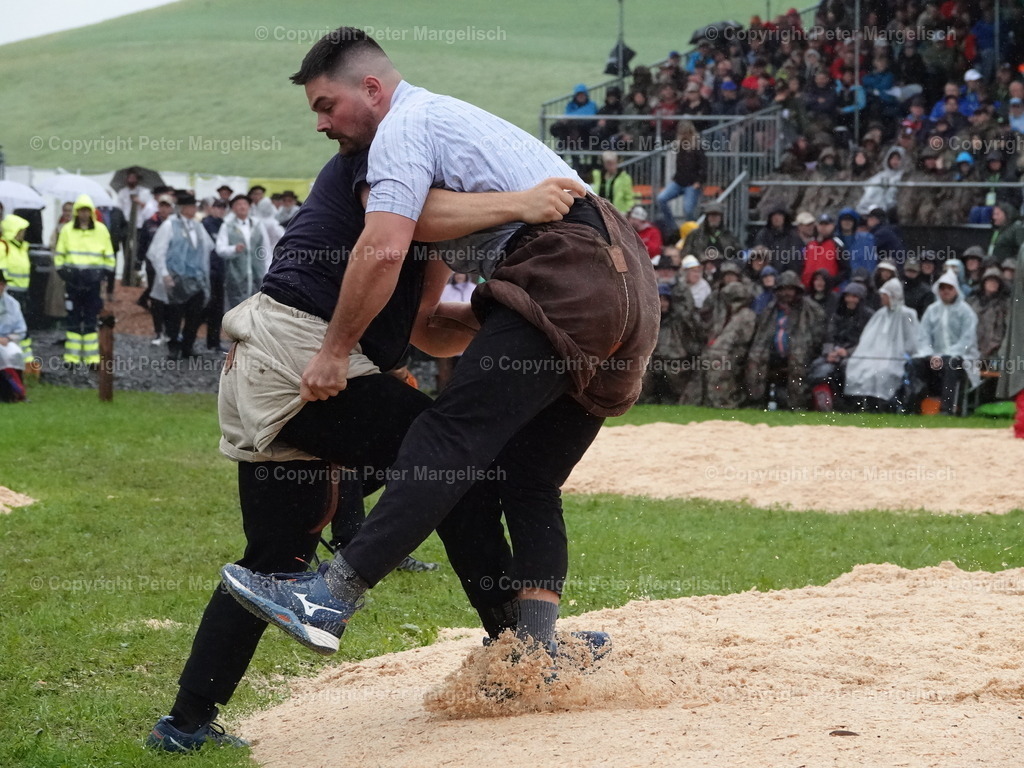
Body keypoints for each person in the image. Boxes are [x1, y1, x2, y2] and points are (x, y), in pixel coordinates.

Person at [220, 27, 657, 662]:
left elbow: (386, 240)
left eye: (325, 105)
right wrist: (501, 333)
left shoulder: (404, 124)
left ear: (371, 89)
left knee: (445, 436)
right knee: (530, 477)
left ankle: (329, 596)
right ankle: (535, 650)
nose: (321, 125)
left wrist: (336, 349)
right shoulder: (454, 130)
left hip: (566, 268)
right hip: (627, 288)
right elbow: (428, 315)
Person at [145, 146, 582, 750]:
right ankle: (521, 650)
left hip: (279, 371)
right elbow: (405, 217)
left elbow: (425, 328)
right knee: (453, 464)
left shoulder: (430, 228)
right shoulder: (384, 159)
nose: (319, 125)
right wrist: (521, 203)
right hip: (301, 364)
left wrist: (518, 321)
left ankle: (184, 724)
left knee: (274, 558)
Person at [147, 193, 214, 360]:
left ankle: (188, 346)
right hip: (176, 277)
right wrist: (164, 274)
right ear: (183, 208)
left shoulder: (198, 226)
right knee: (174, 314)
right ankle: (173, 346)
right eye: (191, 206)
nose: (194, 209)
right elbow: (158, 251)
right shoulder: (170, 225)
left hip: (195, 278)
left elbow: (208, 247)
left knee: (194, 314)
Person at [745, 271, 825, 409]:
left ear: (796, 290)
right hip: (774, 352)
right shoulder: (770, 309)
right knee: (755, 357)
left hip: (802, 352)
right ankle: (756, 402)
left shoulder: (811, 309)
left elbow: (819, 335)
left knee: (798, 358)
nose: (786, 293)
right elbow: (761, 333)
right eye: (782, 289)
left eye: (789, 289)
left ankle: (797, 404)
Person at [54, 195, 114, 366]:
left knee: (90, 319)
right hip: (72, 280)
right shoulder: (67, 230)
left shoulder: (101, 230)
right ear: (76, 212)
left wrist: (103, 275)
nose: (84, 214)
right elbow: (59, 254)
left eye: (87, 210)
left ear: (91, 212)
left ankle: (91, 357)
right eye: (81, 210)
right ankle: (72, 357)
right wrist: (63, 273)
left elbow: (109, 255)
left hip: (93, 281)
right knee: (73, 318)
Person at [845, 278, 920, 409]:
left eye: (884, 295)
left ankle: (883, 405)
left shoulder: (907, 314)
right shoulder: (880, 314)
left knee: (882, 371)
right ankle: (866, 405)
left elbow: (912, 340)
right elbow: (868, 338)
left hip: (896, 356)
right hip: (875, 354)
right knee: (860, 368)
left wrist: (904, 353)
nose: (881, 298)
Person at [914, 271, 980, 414]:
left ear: (956, 289)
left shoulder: (966, 312)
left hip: (961, 357)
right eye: (942, 288)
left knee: (951, 364)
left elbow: (967, 340)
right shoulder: (931, 310)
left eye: (949, 288)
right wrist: (929, 353)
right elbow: (923, 336)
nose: (946, 291)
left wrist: (947, 355)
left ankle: (947, 408)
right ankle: (913, 406)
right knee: (916, 364)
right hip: (934, 356)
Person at [807, 282, 872, 411]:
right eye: (848, 296)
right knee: (818, 368)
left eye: (854, 296)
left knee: (846, 368)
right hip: (835, 354)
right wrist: (829, 353)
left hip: (858, 355)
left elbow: (869, 341)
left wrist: (848, 352)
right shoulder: (837, 314)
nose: (850, 300)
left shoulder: (868, 316)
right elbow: (829, 336)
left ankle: (851, 406)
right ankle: (824, 403)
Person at [703, 282, 756, 408]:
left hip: (737, 352)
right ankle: (711, 400)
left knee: (719, 361)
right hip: (720, 352)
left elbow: (744, 338)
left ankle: (724, 402)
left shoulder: (746, 314)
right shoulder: (726, 314)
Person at [216, 195, 270, 310]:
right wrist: (233, 249)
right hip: (236, 274)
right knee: (237, 308)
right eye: (238, 204)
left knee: (256, 307)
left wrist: (267, 271)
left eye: (245, 204)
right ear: (233, 209)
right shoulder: (227, 226)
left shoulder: (258, 225)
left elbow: (265, 248)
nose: (242, 207)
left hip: (257, 273)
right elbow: (220, 249)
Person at [656, 120, 706, 235]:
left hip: (692, 183)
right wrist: (675, 177)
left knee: (688, 210)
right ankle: (673, 227)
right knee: (661, 199)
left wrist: (699, 181)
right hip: (679, 181)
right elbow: (680, 165)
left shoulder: (697, 146)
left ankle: (691, 232)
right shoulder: (680, 146)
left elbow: (703, 165)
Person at [0, 214, 34, 364]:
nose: (23, 234)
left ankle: (26, 361)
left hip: (21, 291)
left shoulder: (22, 248)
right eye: (20, 231)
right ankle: (22, 360)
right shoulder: (3, 247)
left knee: (22, 324)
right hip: (9, 291)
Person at [968, 266, 1010, 367]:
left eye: (996, 281)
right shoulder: (972, 302)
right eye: (990, 280)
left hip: (995, 353)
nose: (993, 283)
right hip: (971, 351)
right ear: (984, 282)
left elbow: (1008, 330)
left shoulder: (1005, 305)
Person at [202, 199, 229, 352]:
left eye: (222, 208)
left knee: (217, 308)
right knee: (205, 307)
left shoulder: (224, 225)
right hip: (208, 271)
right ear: (211, 208)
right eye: (217, 207)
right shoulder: (205, 224)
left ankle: (214, 341)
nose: (220, 210)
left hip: (220, 272)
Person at [0, 270, 27, 402]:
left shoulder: (13, 304)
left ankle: (16, 392)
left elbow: (21, 330)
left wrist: (9, 338)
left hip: (6, 340)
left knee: (14, 353)